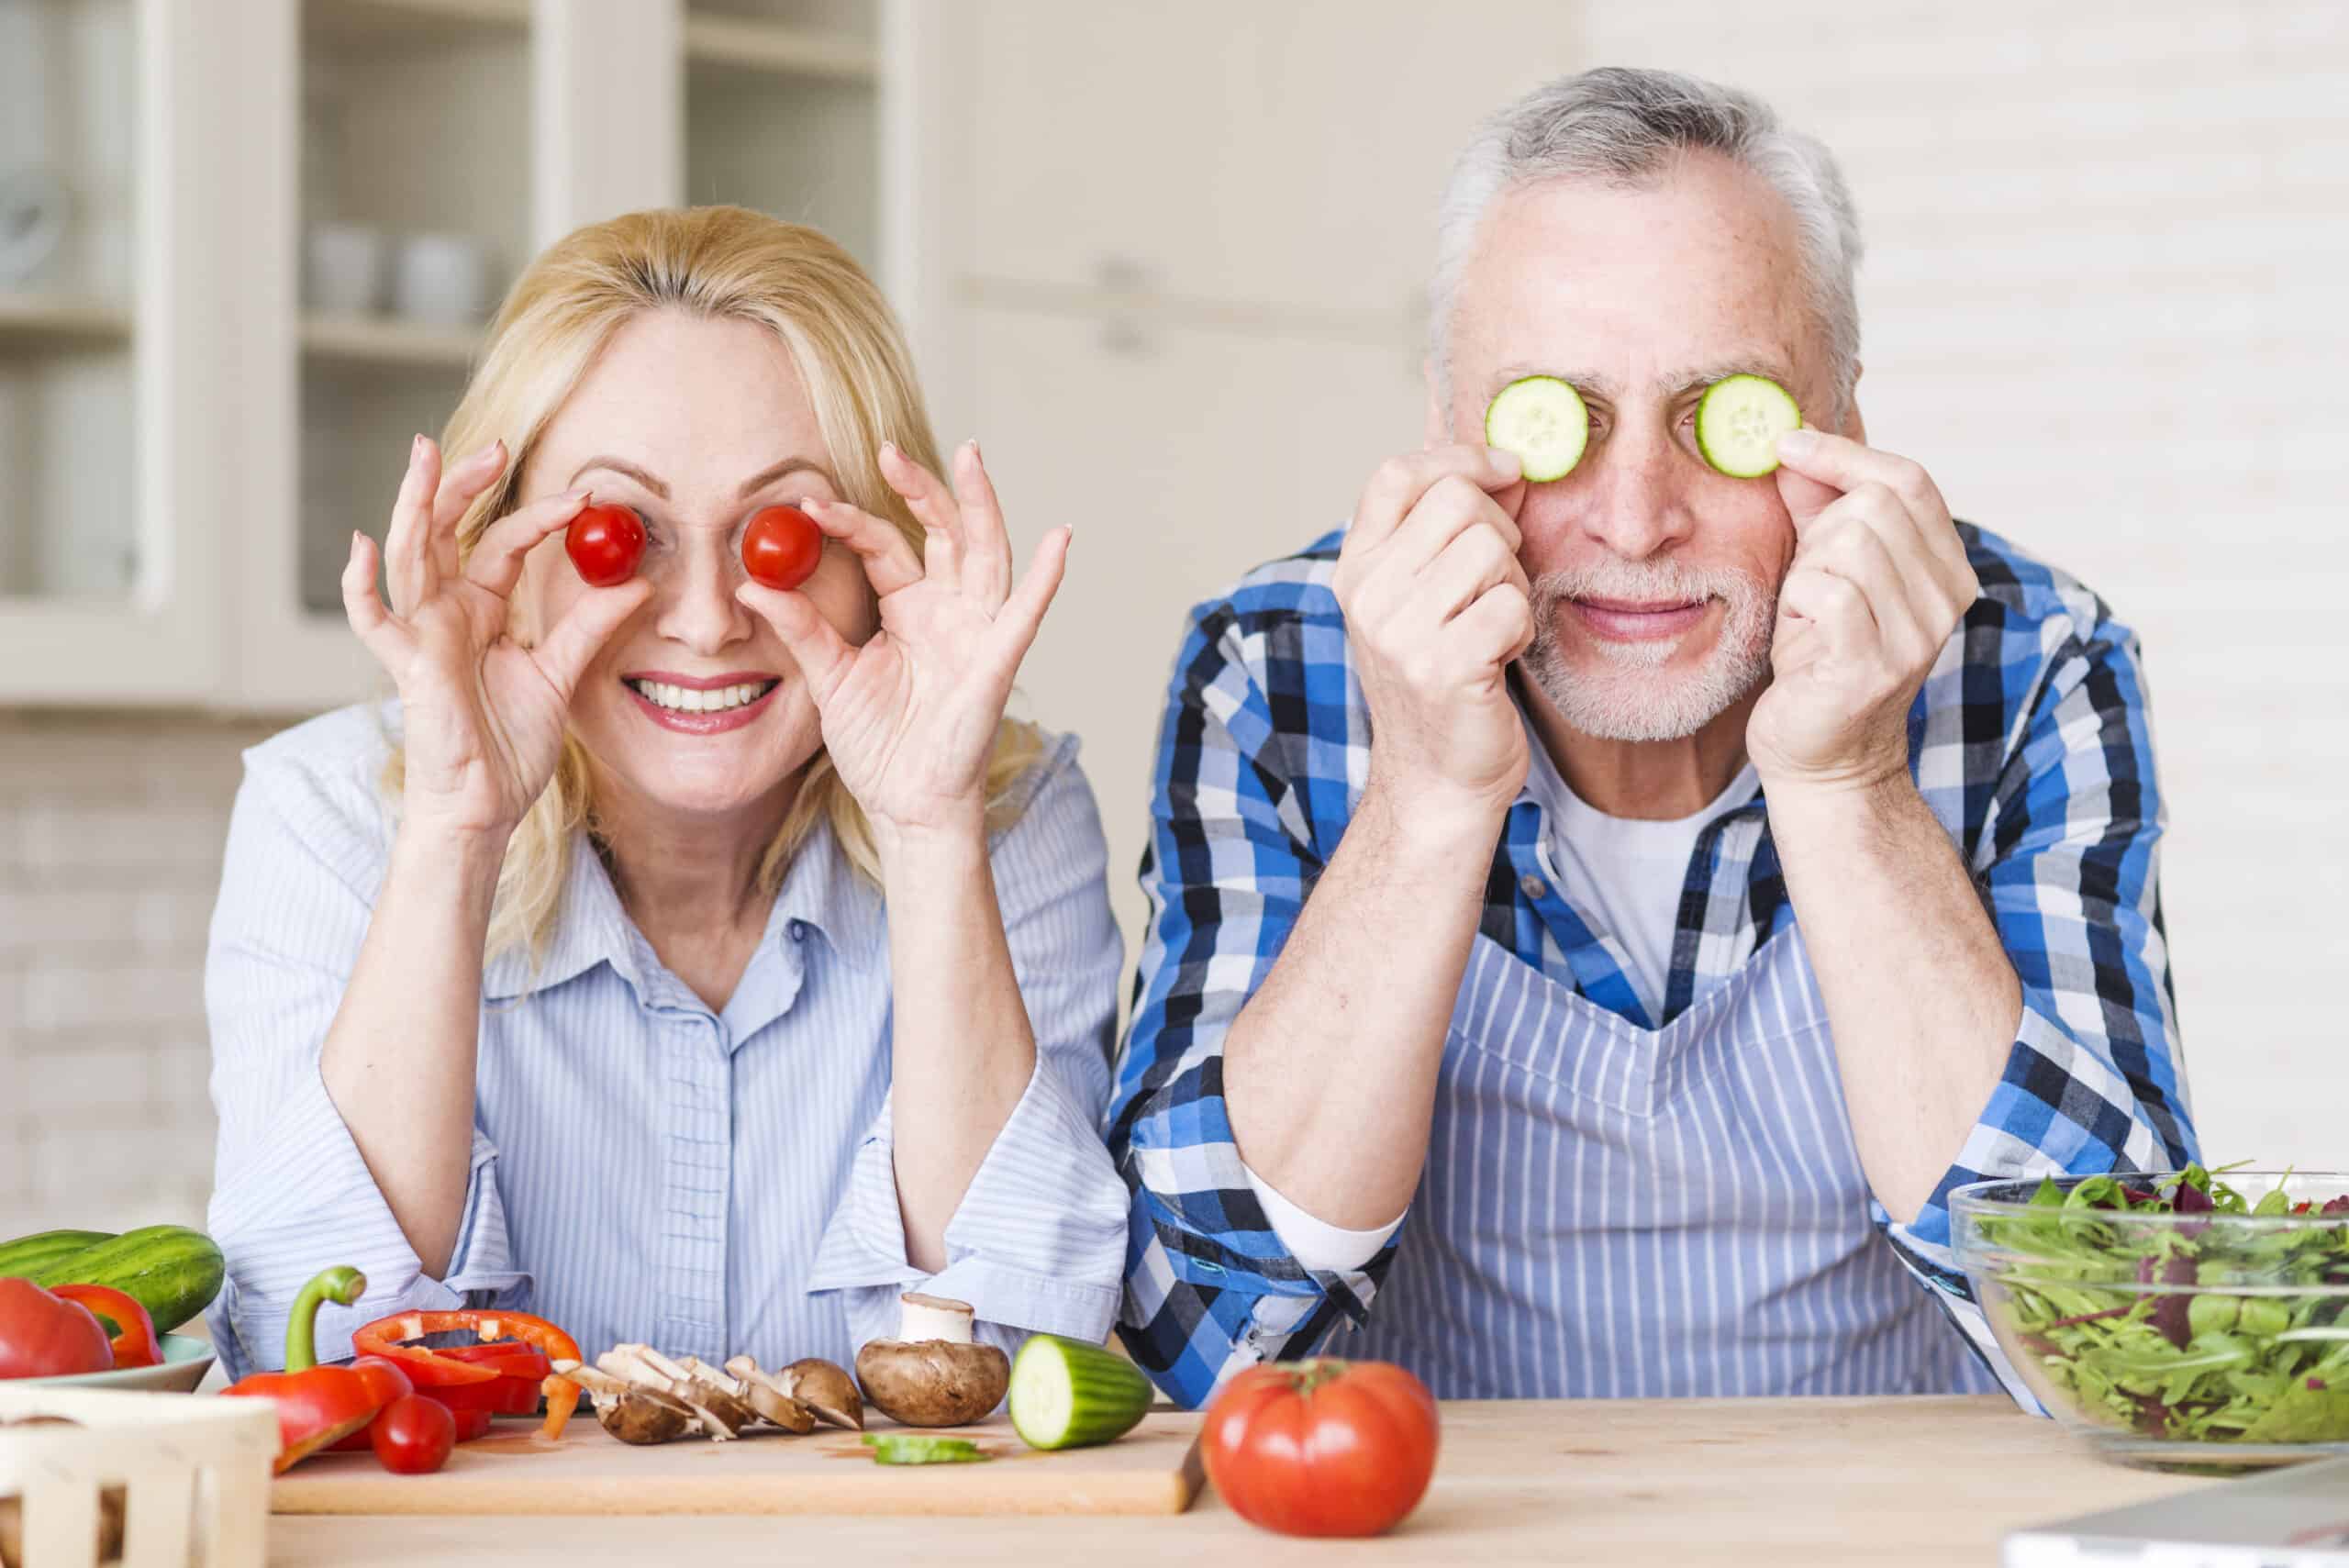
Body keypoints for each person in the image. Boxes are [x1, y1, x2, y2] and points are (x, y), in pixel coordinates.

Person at [1110, 68, 2194, 1406]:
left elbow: (2126, 1335)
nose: (1635, 519)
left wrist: (1847, 781)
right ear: (1447, 430)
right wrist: (1425, 801)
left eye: (1720, 418)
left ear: (1845, 425)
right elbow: (1187, 1343)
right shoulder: (1274, 672)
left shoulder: (2028, 663)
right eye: (1554, 420)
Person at [205, 206, 1127, 1378]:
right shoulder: (332, 814)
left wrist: (931, 824)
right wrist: (455, 829)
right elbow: (317, 1359)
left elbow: (1025, 1361)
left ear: (873, 564)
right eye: (614, 532)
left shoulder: (1005, 816)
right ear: (504, 552)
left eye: (781, 531)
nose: (705, 618)